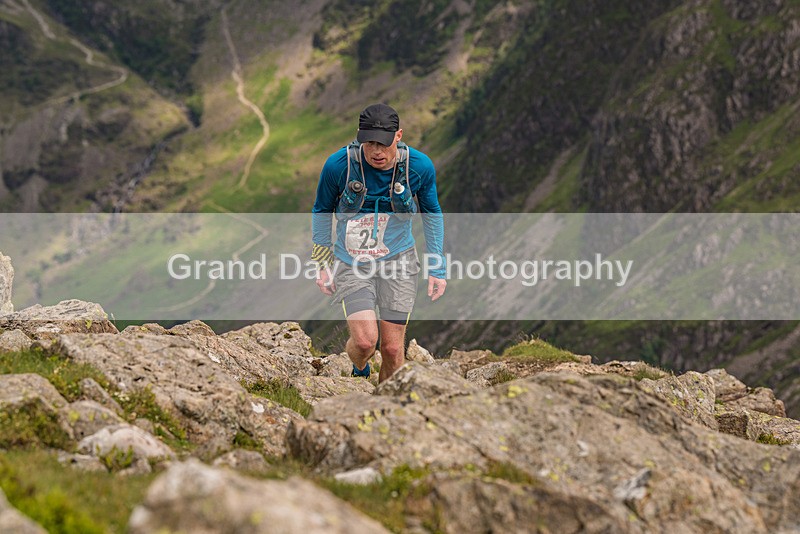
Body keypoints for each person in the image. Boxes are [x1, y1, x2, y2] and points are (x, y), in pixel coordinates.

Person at [311, 103, 447, 383]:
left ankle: (385, 403)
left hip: (399, 260)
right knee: (364, 343)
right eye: (370, 143)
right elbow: (321, 211)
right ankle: (360, 367)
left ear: (398, 136)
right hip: (352, 262)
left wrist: (437, 267)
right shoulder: (338, 165)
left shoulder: (419, 167)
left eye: (383, 143)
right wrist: (322, 263)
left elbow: (432, 213)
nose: (376, 151)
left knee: (393, 349)